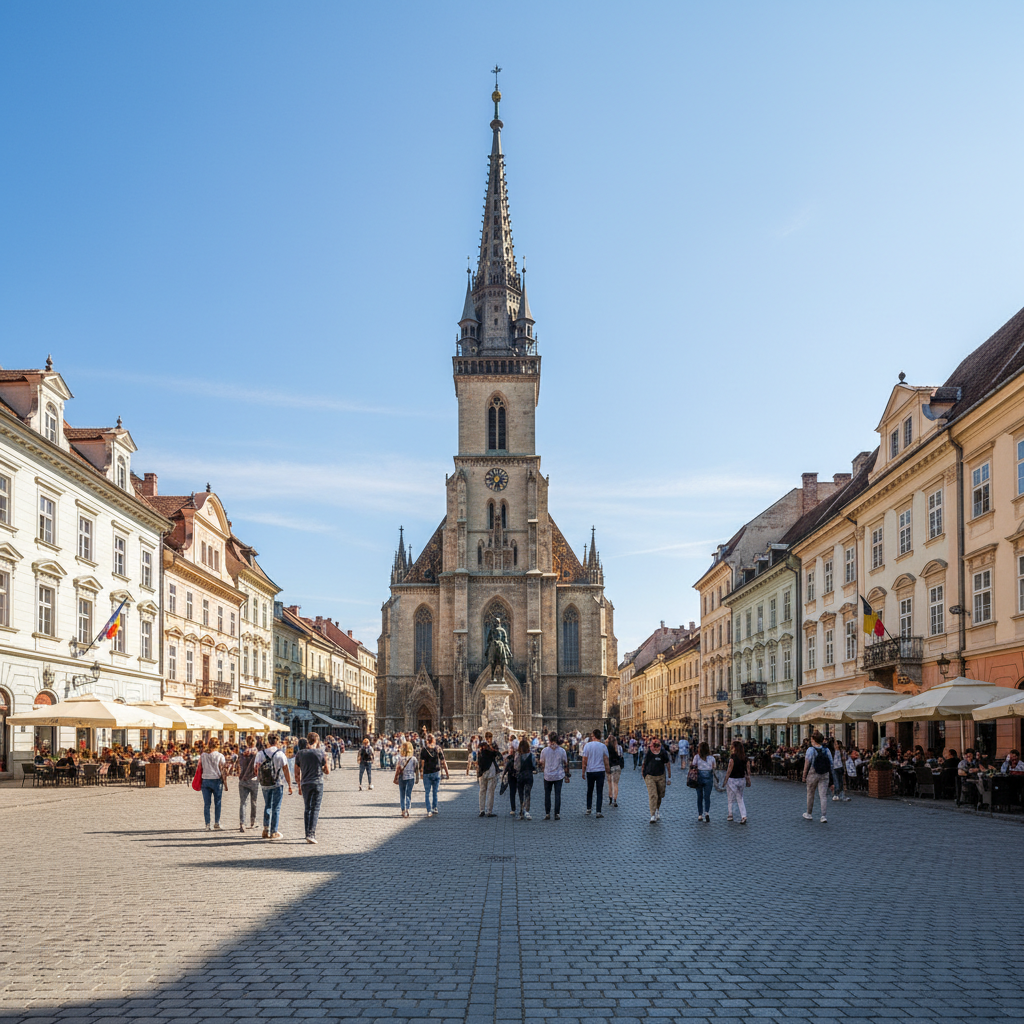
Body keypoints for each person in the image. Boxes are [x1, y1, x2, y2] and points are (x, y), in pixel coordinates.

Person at [294, 731, 330, 844]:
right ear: (317, 740)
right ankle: (311, 834)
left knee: (307, 808)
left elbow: (296, 773)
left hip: (305, 783)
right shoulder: (321, 753)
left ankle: (307, 833)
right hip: (318, 782)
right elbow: (327, 771)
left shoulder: (300, 753)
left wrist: (299, 786)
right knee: (315, 808)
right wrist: (326, 762)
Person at [255, 732, 293, 839]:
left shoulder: (260, 754)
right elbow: (286, 771)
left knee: (267, 805)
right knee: (276, 807)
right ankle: (273, 831)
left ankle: (265, 828)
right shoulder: (280, 754)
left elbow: (255, 770)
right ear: (277, 741)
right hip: (277, 783)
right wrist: (289, 784)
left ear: (268, 741)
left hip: (265, 784)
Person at [802, 732, 833, 823]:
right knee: (823, 795)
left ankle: (809, 813)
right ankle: (823, 816)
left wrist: (804, 776)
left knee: (810, 793)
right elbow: (831, 764)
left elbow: (807, 764)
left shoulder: (811, 750)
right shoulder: (826, 750)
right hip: (824, 774)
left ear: (813, 740)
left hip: (813, 773)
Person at [199, 738, 228, 832]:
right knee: (217, 803)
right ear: (217, 745)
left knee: (207, 804)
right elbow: (223, 769)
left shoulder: (203, 755)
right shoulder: (220, 755)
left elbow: (200, 767)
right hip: (216, 780)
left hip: (205, 780)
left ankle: (207, 824)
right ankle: (217, 823)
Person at [640, 736, 671, 823]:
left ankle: (657, 809)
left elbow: (667, 763)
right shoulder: (649, 752)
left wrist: (669, 776)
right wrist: (643, 774)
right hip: (650, 776)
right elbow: (644, 763)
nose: (656, 747)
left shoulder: (663, 752)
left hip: (661, 775)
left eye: (657, 745)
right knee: (653, 795)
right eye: (654, 745)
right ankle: (652, 815)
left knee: (660, 794)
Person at [539, 732, 569, 820]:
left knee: (547, 794)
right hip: (559, 775)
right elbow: (565, 763)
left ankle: (547, 813)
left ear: (549, 739)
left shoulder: (544, 750)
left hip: (547, 775)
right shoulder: (562, 750)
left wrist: (545, 769)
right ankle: (557, 814)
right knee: (557, 794)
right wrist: (567, 775)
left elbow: (541, 763)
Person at [581, 729, 610, 818]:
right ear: (600, 736)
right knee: (599, 791)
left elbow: (584, 760)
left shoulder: (587, 746)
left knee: (590, 790)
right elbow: (606, 760)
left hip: (590, 771)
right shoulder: (603, 746)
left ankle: (588, 808)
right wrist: (608, 770)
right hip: (600, 771)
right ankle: (598, 811)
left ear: (593, 736)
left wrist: (583, 771)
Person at [419, 733, 449, 816]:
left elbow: (422, 762)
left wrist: (421, 771)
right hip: (436, 772)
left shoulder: (424, 749)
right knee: (435, 792)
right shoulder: (438, 748)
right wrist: (447, 773)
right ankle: (435, 807)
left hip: (427, 773)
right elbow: (443, 761)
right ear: (434, 740)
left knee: (427, 792)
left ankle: (429, 810)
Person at [236, 735, 260, 833]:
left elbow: (238, 766)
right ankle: (253, 822)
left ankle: (242, 823)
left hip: (243, 780)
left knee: (243, 803)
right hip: (253, 780)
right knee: (253, 802)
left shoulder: (242, 753)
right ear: (254, 742)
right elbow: (258, 767)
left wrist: (240, 775)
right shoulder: (257, 753)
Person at [724, 740, 751, 823]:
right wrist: (748, 779)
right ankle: (741, 815)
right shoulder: (745, 758)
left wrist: (725, 780)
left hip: (732, 780)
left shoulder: (732, 758)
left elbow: (729, 770)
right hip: (741, 780)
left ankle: (731, 814)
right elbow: (748, 771)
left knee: (731, 797)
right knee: (740, 797)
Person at [477, 733, 500, 817]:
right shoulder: (483, 745)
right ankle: (484, 810)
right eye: (487, 737)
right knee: (484, 791)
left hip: (488, 770)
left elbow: (496, 754)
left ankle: (486, 810)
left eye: (489, 737)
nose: (488, 738)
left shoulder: (492, 745)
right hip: (486, 770)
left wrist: (490, 746)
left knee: (487, 791)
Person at [692, 742, 716, 823]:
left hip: (699, 777)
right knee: (707, 796)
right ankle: (707, 813)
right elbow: (714, 767)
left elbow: (693, 765)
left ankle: (700, 815)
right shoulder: (711, 758)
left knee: (699, 796)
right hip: (708, 777)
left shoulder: (697, 757)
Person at [514, 733, 535, 820]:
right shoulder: (531, 755)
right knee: (527, 793)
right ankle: (527, 811)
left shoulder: (518, 755)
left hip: (520, 776)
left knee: (520, 794)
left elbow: (516, 767)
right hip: (529, 776)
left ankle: (521, 811)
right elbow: (534, 765)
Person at [395, 741, 418, 817]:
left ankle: (403, 810)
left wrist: (395, 778)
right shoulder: (413, 759)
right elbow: (416, 769)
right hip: (411, 777)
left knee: (402, 794)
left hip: (402, 777)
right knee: (408, 794)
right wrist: (417, 777)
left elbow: (398, 769)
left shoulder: (400, 758)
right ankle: (407, 809)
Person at [606, 734, 624, 807]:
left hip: (609, 766)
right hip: (617, 766)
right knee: (615, 784)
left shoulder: (606, 748)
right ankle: (615, 800)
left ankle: (610, 798)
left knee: (609, 783)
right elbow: (621, 756)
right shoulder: (619, 747)